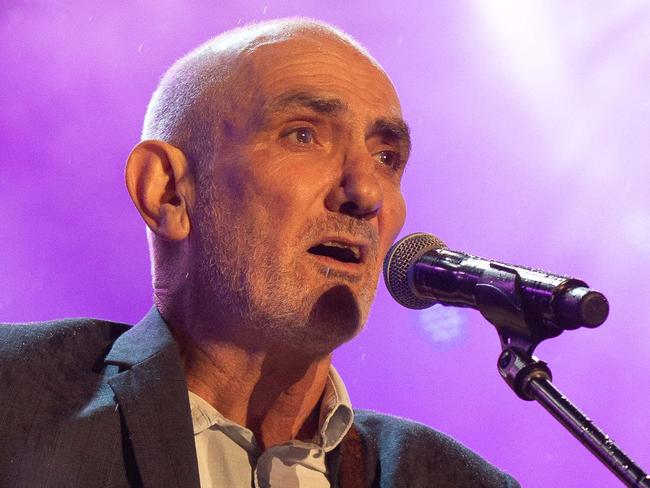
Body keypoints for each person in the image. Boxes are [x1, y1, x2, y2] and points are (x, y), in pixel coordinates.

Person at [0, 18, 519, 488]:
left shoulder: (450, 479)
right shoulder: (17, 398)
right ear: (168, 192)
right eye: (303, 135)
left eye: (386, 156)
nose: (367, 192)